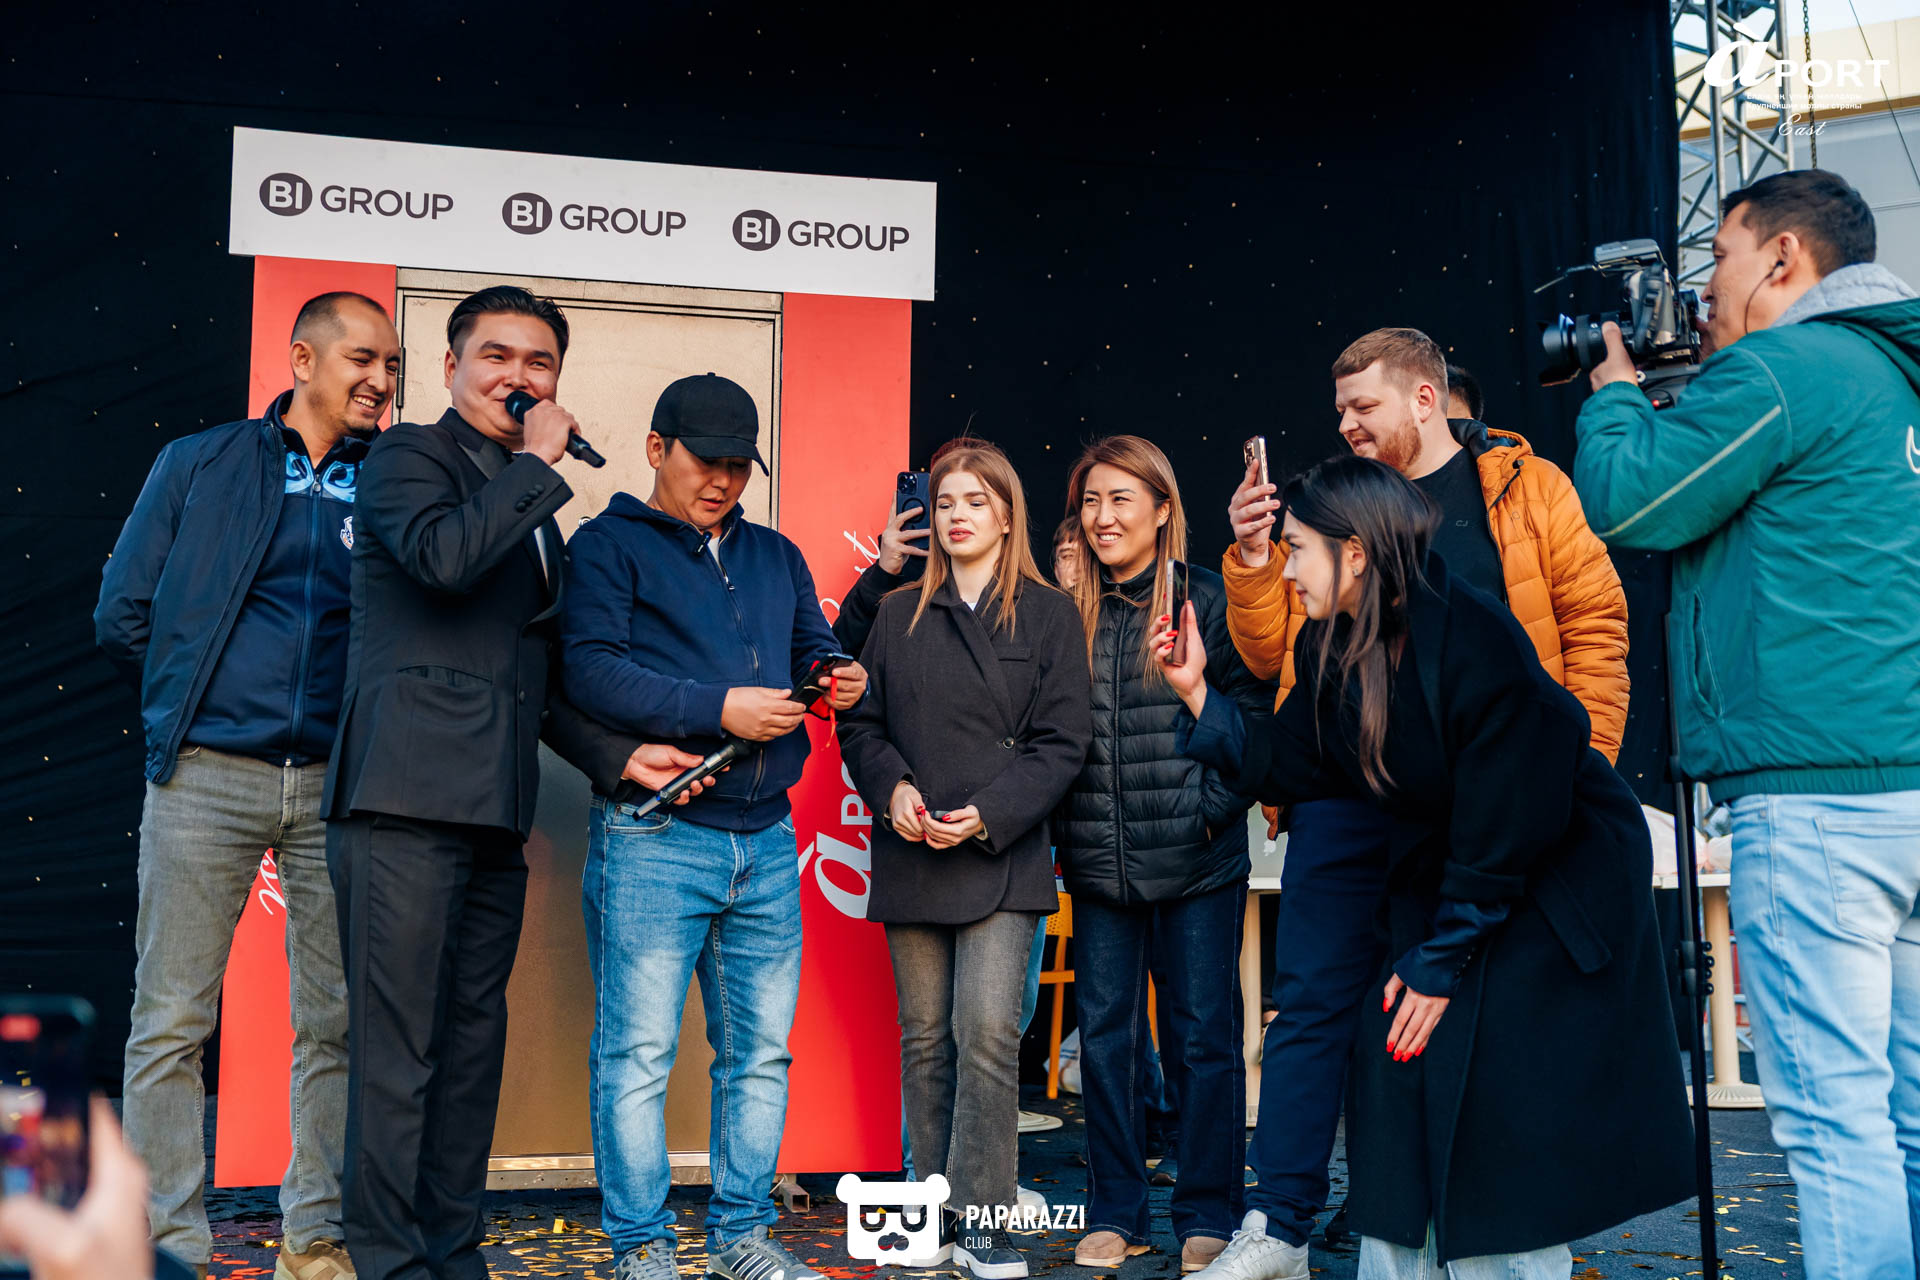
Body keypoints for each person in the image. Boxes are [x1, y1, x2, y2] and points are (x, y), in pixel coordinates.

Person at [1161, 454, 1693, 1279]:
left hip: (1553, 877)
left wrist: (1443, 959)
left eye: (1297, 550)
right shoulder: (1338, 639)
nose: (1286, 571)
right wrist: (1198, 694)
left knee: (1489, 1081)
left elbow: (1509, 814)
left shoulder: (1469, 636)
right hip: (1470, 874)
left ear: (1356, 554)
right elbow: (1296, 763)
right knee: (1401, 1061)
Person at [1572, 167, 1920, 1280]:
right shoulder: (1897, 377)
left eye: (1718, 257)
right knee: (1911, 1114)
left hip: (1819, 799)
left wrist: (1617, 392)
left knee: (1834, 1122)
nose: (1705, 286)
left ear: (1782, 257)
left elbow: (1631, 499)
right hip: (1905, 783)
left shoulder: (1787, 369)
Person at [322, 286, 698, 1280]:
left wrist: (619, 757)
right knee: (398, 1053)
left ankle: (452, 1254)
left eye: (539, 363)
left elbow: (537, 673)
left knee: (468, 1049)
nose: (518, 377)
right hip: (402, 802)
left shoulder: (532, 515)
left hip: (494, 811)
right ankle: (389, 1265)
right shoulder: (408, 457)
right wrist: (536, 464)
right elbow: (442, 562)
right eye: (496, 356)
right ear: (450, 367)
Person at [93, 291, 406, 1280]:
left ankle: (313, 1243)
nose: (382, 380)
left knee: (336, 1025)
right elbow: (124, 612)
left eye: (393, 365)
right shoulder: (201, 461)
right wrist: (193, 714)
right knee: (170, 1021)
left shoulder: (394, 480)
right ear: (302, 359)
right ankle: (167, 1248)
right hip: (206, 777)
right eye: (363, 359)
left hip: (337, 787)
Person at [560, 372, 867, 1280]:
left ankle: (741, 1238)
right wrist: (718, 707)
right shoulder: (605, 546)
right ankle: (641, 1248)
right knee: (637, 1055)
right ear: (657, 449)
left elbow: (813, 645)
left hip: (767, 841)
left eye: (739, 465)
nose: (725, 480)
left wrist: (837, 673)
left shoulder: (776, 553)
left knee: (759, 1057)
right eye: (708, 461)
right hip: (653, 837)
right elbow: (589, 671)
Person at [837, 442, 1091, 1279]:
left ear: (1007, 517)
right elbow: (859, 724)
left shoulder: (1049, 614)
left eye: (976, 501)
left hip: (1002, 852)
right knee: (924, 1040)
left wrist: (989, 815)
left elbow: (1063, 742)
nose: (956, 515)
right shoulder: (896, 613)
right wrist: (893, 791)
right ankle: (926, 1218)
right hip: (912, 848)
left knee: (985, 1034)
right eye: (945, 501)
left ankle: (983, 1221)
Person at [1055, 436, 1272, 1273]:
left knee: (1203, 1040)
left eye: (1120, 499)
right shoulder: (1064, 609)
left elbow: (1254, 727)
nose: (1102, 517)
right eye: (1090, 501)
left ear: (1162, 508)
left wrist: (1205, 814)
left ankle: (1208, 1211)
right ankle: (1117, 1210)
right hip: (1099, 866)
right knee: (1107, 1043)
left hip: (1197, 862)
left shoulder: (1209, 600)